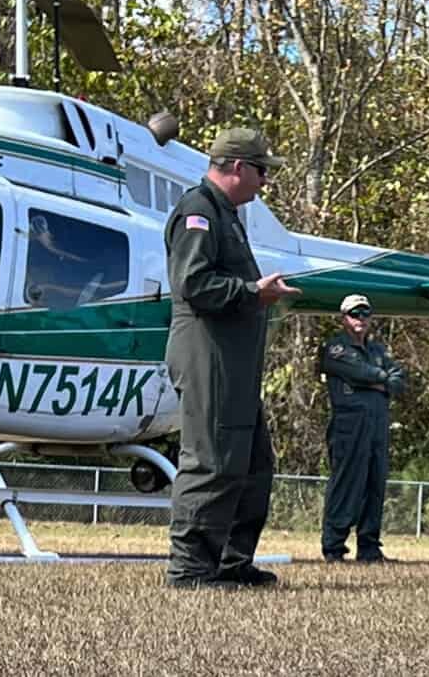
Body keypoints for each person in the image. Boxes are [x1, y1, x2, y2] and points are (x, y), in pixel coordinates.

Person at [164, 127, 298, 589]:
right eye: (261, 171)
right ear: (238, 167)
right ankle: (190, 570)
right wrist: (251, 293)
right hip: (208, 357)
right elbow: (193, 284)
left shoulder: (226, 214)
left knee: (253, 463)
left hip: (232, 365)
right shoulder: (199, 211)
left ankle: (231, 562)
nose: (265, 182)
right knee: (212, 461)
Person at [319, 294, 407, 563]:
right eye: (355, 313)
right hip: (350, 426)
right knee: (346, 485)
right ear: (344, 317)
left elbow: (400, 381)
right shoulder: (335, 348)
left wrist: (375, 380)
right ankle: (334, 546)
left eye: (365, 313)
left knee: (374, 485)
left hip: (377, 426)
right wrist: (380, 379)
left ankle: (369, 547)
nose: (361, 319)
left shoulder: (378, 351)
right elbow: (357, 371)